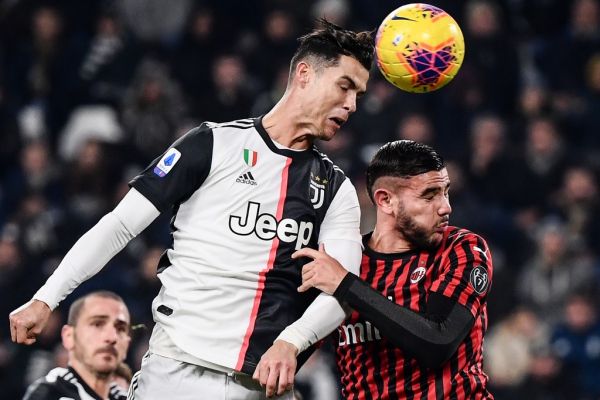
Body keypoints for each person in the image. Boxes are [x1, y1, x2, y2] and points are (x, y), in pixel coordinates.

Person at [9, 19, 373, 399]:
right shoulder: (211, 144)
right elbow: (119, 225)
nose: (350, 105)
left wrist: (292, 342)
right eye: (344, 86)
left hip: (264, 385)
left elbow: (343, 291)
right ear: (303, 74)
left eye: (359, 96)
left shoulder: (335, 190)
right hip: (176, 373)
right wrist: (46, 298)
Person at [291, 140, 494, 399]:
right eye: (429, 195)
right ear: (385, 200)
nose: (445, 207)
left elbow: (438, 342)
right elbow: (297, 346)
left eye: (446, 191)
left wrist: (346, 285)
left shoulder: (462, 249)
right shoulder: (345, 261)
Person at [23, 291, 131, 400]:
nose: (112, 337)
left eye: (120, 329)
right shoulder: (50, 394)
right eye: (97, 324)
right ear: (69, 336)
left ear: (127, 343)